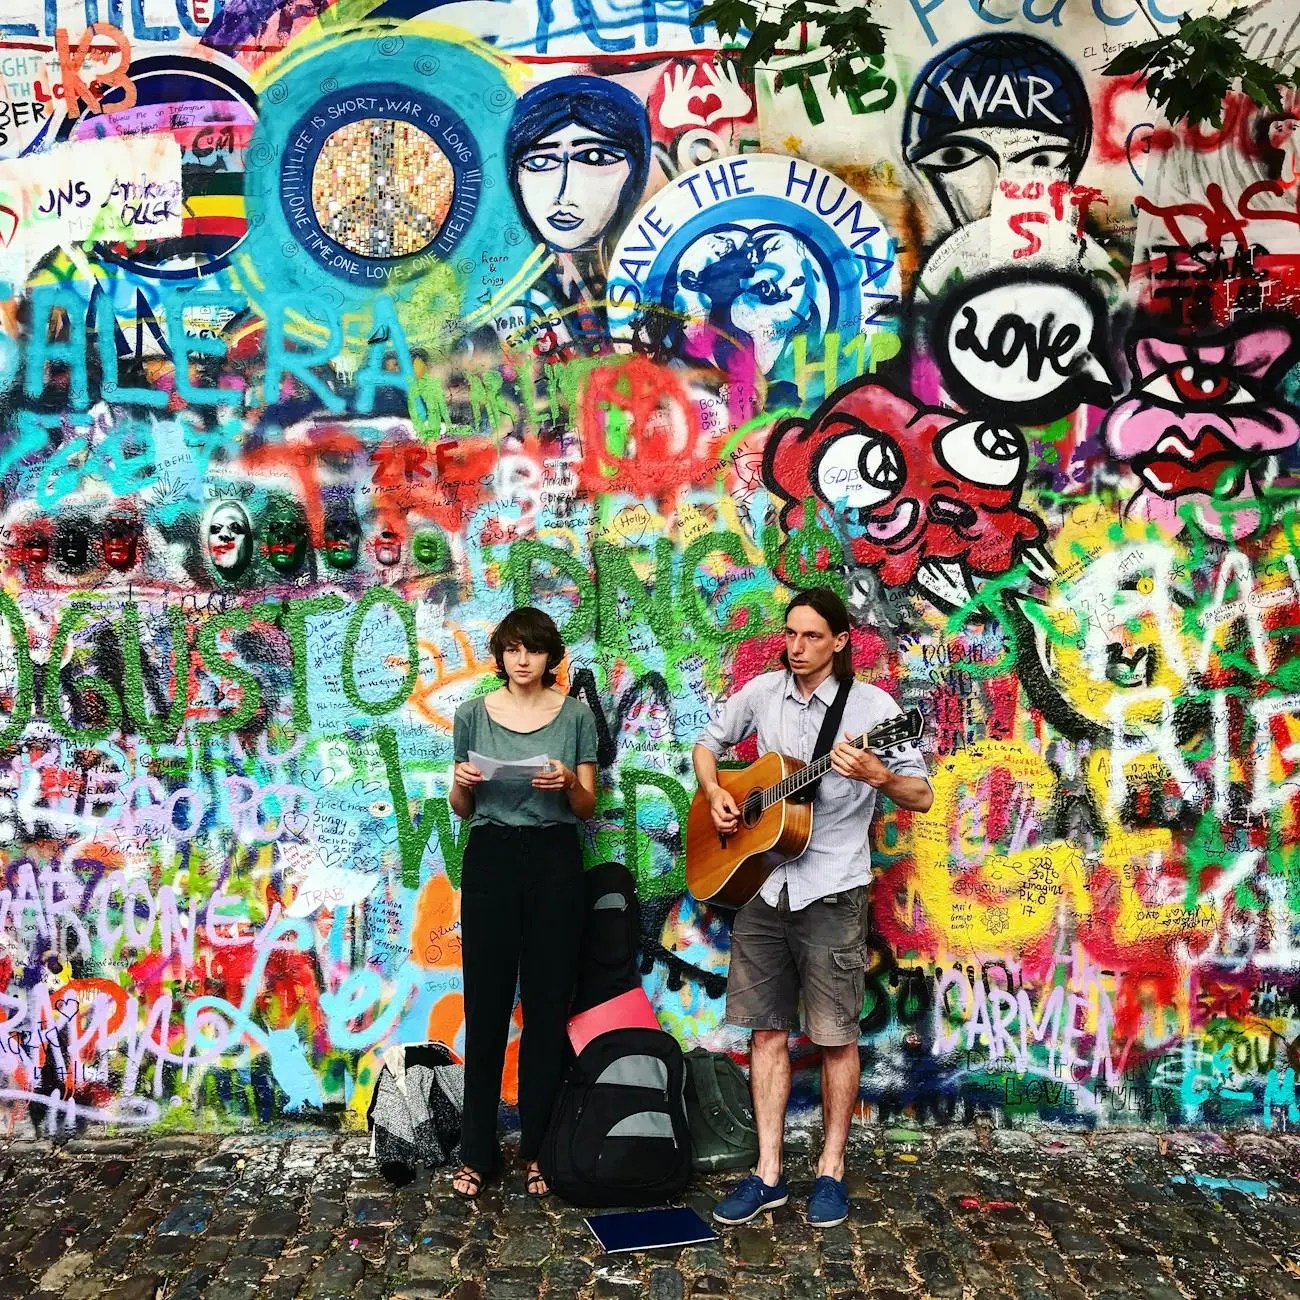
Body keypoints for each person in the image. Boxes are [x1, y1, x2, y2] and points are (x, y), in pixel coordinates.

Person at [692, 587, 933, 1229]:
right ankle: (768, 1173)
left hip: (831, 889)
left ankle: (830, 1171)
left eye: (812, 638)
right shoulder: (763, 694)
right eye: (791, 636)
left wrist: (879, 776)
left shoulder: (874, 709)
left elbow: (922, 795)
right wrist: (717, 792)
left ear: (840, 641)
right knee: (766, 1030)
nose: (797, 649)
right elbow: (707, 745)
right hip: (764, 888)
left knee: (833, 1036)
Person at [449, 606, 598, 1199]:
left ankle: (538, 1148)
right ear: (500, 655)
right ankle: (477, 1153)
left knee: (545, 1008)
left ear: (548, 656)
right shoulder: (469, 715)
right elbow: (462, 810)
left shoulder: (578, 716)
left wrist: (567, 784)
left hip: (556, 857)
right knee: (485, 1008)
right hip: (490, 856)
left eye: (532, 649)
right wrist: (463, 784)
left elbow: (587, 809)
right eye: (512, 649)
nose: (521, 659)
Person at [503, 75, 651, 356]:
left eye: (594, 158)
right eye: (539, 161)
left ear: (635, 173)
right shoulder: (503, 299)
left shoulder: (655, 281)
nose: (564, 193)